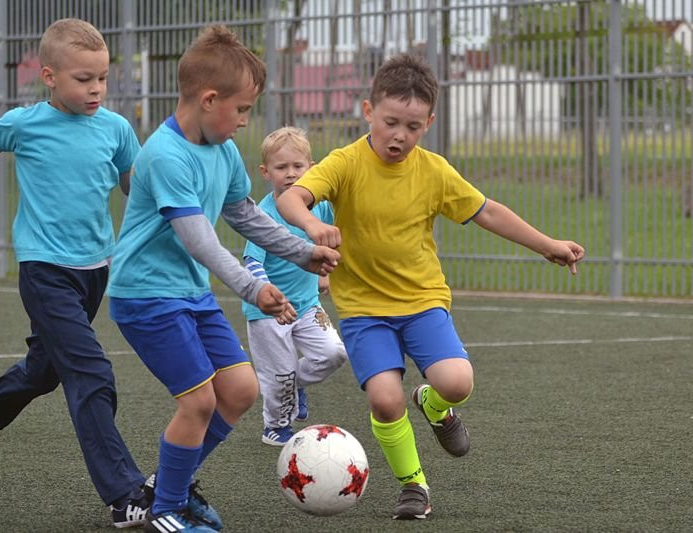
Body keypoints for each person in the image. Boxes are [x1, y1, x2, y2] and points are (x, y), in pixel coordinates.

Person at [276, 53, 585, 520]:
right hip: (363, 309)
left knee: (457, 383)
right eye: (390, 122)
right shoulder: (345, 163)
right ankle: (413, 485)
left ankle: (434, 406)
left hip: (422, 301)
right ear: (368, 111)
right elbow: (292, 197)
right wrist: (312, 225)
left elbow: (487, 211)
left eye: (413, 127)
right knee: (384, 399)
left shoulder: (433, 170)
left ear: (429, 123)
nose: (400, 135)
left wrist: (547, 245)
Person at [106, 26, 340, 533]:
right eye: (242, 109)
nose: (244, 121)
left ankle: (169, 487)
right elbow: (200, 241)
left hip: (189, 294)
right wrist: (253, 287)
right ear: (209, 99)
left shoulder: (225, 151)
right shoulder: (164, 155)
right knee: (198, 401)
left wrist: (303, 253)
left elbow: (247, 217)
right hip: (146, 296)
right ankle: (166, 510)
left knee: (239, 390)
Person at [0, 18, 152, 528]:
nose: (96, 88)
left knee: (45, 370)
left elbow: (137, 186)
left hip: (94, 270)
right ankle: (124, 493)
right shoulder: (25, 123)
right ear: (49, 76)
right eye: (84, 79)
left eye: (102, 78)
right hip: (44, 270)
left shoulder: (117, 130)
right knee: (90, 373)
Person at [241, 127, 347, 446]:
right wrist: (268, 295)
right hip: (269, 312)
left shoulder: (320, 207)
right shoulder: (263, 214)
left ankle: (294, 385)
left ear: (311, 168)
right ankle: (275, 426)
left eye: (297, 166)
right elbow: (252, 261)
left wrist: (325, 274)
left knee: (333, 353)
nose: (290, 174)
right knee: (280, 374)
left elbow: (328, 239)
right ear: (265, 172)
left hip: (307, 304)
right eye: (281, 167)